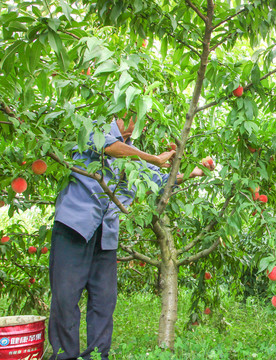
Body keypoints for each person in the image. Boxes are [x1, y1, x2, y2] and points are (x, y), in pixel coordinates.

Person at [48, 114, 213, 360]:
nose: (146, 123)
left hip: (106, 235)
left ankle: (97, 356)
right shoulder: (97, 127)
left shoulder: (134, 155)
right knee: (65, 297)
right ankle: (64, 357)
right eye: (142, 116)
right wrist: (153, 159)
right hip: (75, 226)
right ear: (123, 113)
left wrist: (194, 171)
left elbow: (161, 181)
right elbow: (110, 147)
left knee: (104, 300)